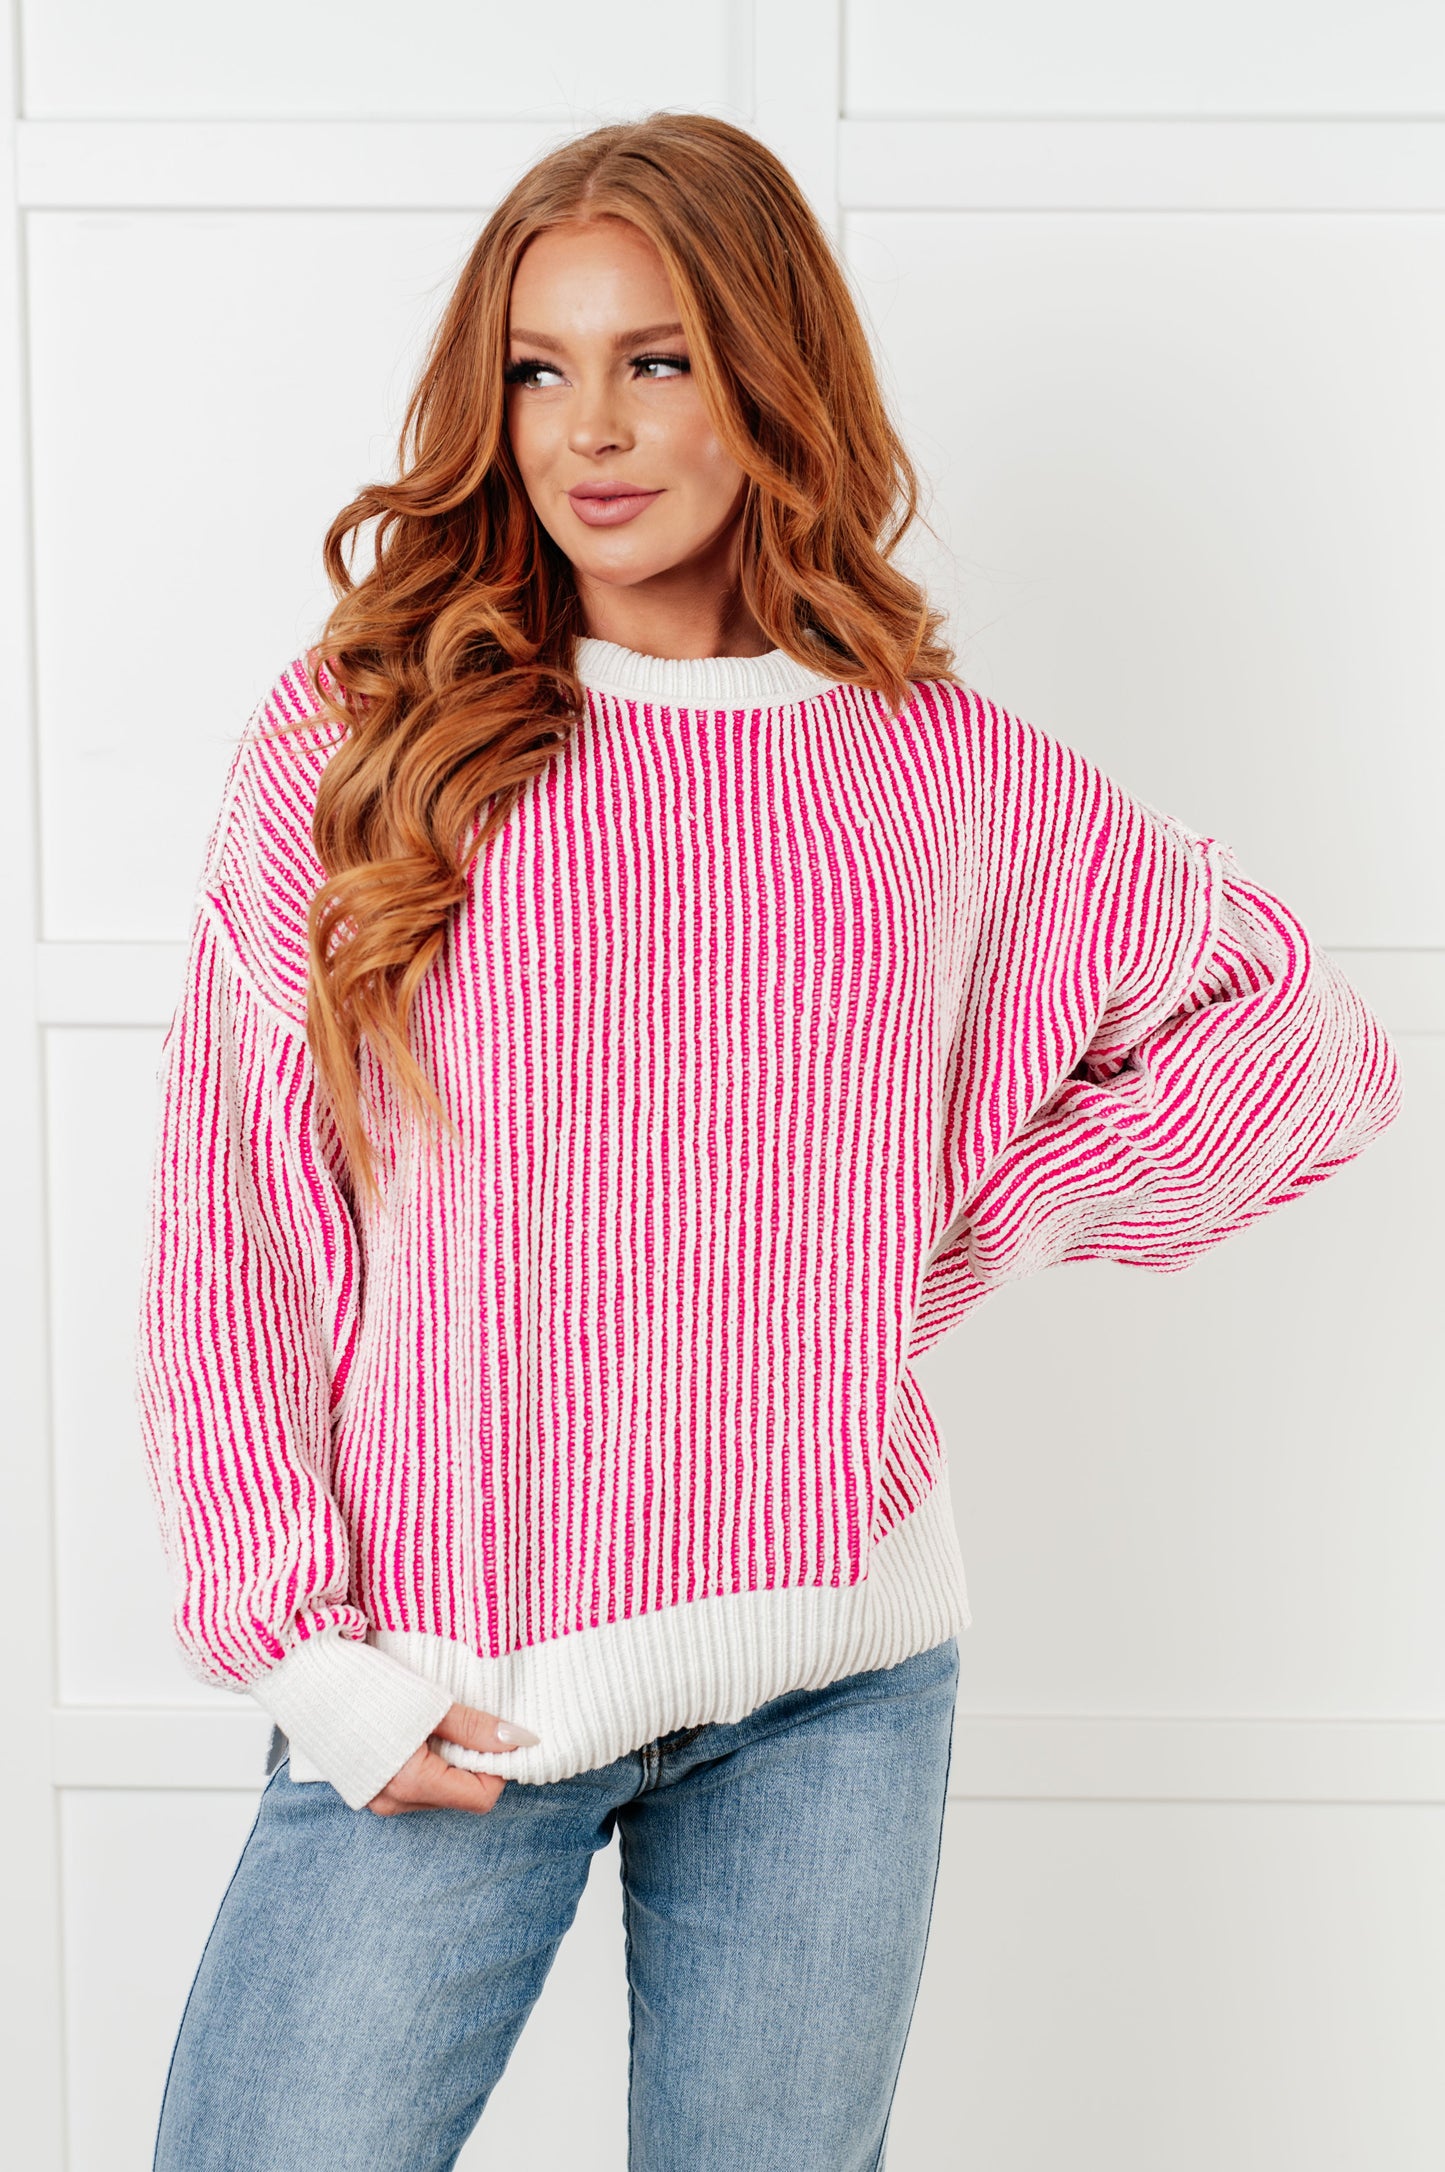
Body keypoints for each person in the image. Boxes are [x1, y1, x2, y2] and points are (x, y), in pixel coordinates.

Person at [133, 111, 1402, 2172]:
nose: (590, 429)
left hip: (838, 1677)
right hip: (442, 1678)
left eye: (659, 360)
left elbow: (1301, 1039)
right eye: (540, 368)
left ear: (770, 377)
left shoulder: (934, 772)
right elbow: (236, 1216)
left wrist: (959, 1217)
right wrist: (302, 1650)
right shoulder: (368, 739)